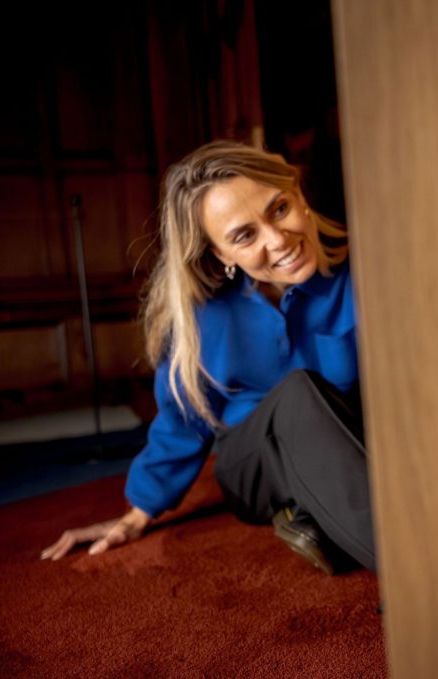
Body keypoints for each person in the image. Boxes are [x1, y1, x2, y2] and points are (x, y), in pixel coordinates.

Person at [41, 141, 374, 574]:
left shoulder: (366, 268)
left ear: (298, 194)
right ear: (221, 254)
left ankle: (315, 519)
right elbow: (184, 420)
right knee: (300, 392)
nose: (277, 239)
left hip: (349, 442)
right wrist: (137, 512)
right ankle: (419, 574)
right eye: (244, 235)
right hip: (252, 465)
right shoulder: (205, 317)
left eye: (278, 209)